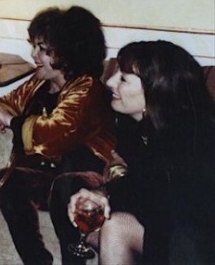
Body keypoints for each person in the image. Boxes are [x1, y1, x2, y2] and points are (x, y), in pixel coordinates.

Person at [67, 40, 215, 264]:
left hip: (195, 245)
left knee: (116, 226)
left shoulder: (193, 136)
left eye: (124, 78)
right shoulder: (140, 128)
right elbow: (140, 185)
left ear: (155, 90)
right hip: (172, 234)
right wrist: (101, 195)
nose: (110, 82)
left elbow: (163, 207)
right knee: (102, 217)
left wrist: (109, 197)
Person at [0, 6, 116, 264]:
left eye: (43, 49)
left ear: (68, 52)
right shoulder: (38, 83)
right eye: (34, 46)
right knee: (6, 179)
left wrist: (13, 121)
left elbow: (53, 134)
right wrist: (1, 113)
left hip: (89, 174)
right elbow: (3, 103)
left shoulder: (88, 88)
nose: (33, 54)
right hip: (48, 174)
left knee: (64, 185)